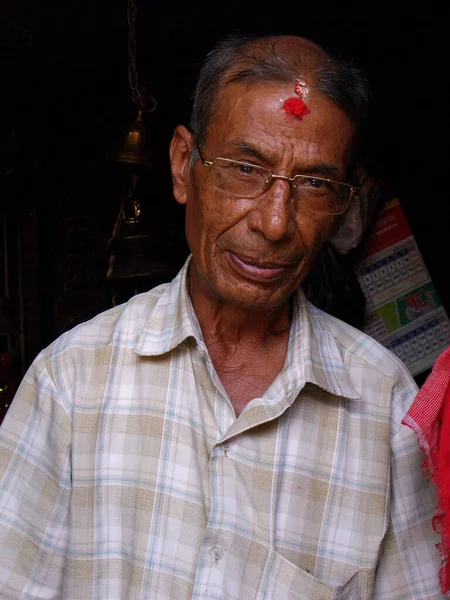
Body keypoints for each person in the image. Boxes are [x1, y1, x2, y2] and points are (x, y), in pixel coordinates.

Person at [0, 34, 443, 599]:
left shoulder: (386, 408)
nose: (276, 223)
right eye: (244, 168)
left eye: (313, 183)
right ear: (184, 166)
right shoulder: (72, 381)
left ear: (344, 200)